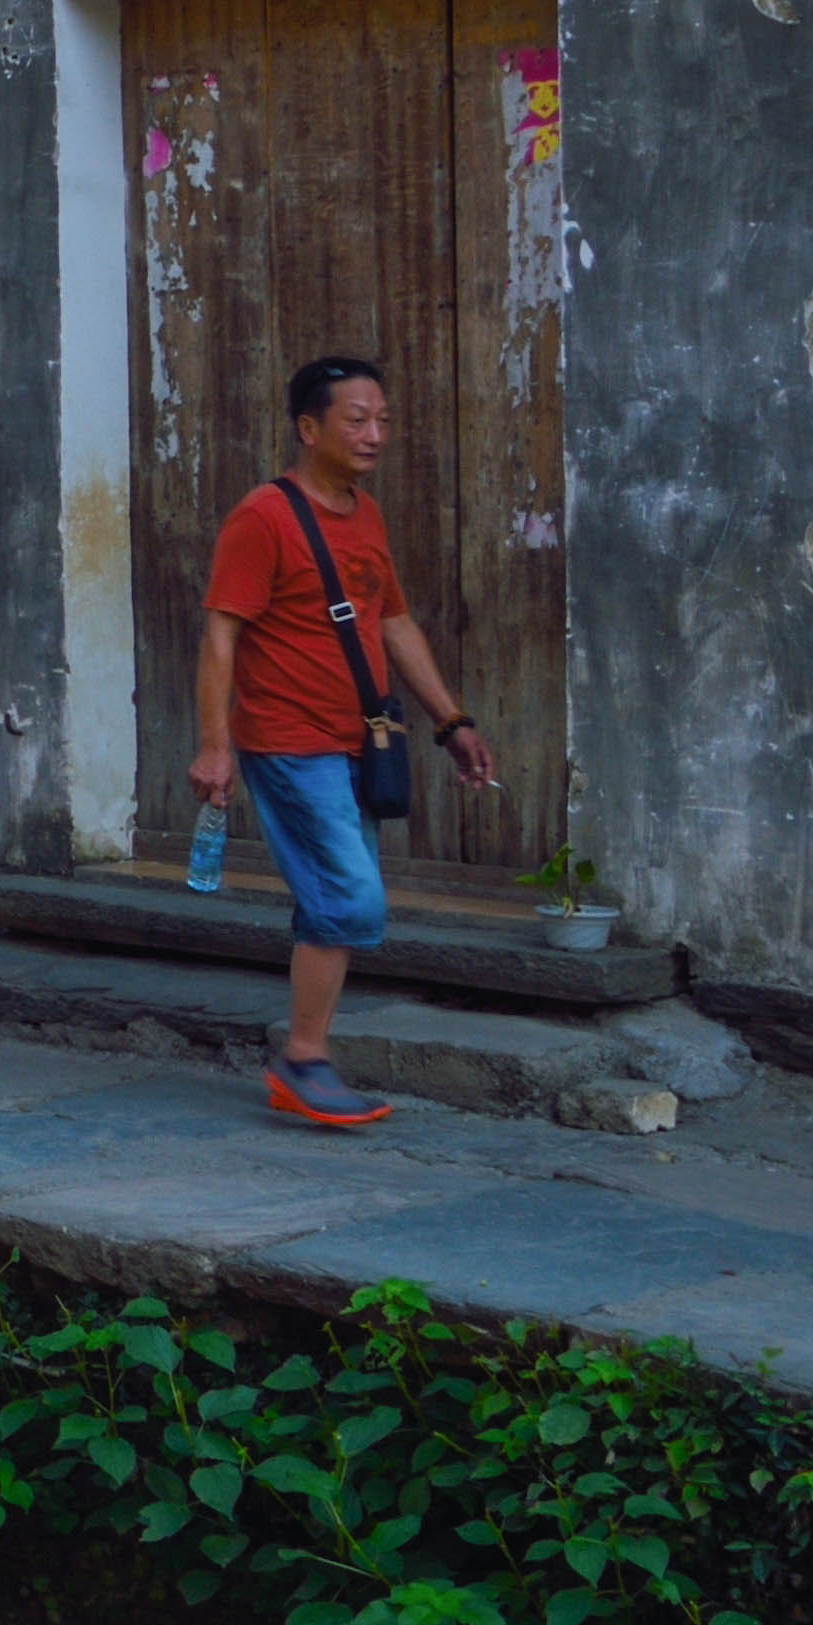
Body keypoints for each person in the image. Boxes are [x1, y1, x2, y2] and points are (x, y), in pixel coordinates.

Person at [193, 353, 505, 1134]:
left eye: (383, 420)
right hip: (288, 739)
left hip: (357, 740)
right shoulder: (263, 517)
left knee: (337, 897)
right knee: (351, 898)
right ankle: (302, 1059)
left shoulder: (364, 514)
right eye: (357, 420)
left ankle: (309, 1056)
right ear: (309, 428)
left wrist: (451, 721)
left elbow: (391, 620)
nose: (375, 434)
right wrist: (214, 745)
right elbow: (220, 637)